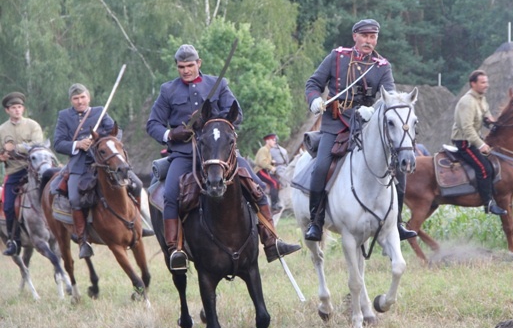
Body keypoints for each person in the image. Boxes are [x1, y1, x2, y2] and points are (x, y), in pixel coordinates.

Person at [147, 44, 300, 270]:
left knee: (257, 188)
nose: (186, 70)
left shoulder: (218, 84)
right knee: (170, 196)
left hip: (219, 153)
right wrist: (172, 133)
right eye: (181, 67)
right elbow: (153, 125)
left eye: (190, 65)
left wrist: (211, 122)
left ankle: (271, 241)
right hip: (184, 153)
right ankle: (175, 251)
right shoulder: (167, 90)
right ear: (177, 67)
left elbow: (236, 115)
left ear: (198, 63)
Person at [303, 18, 417, 242]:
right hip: (336, 123)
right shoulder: (337, 57)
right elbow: (313, 84)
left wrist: (372, 110)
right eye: (364, 36)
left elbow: (390, 99)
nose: (368, 41)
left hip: (367, 124)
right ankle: (316, 222)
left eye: (372, 37)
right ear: (355, 36)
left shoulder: (382, 66)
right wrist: (315, 100)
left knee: (399, 167)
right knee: (321, 166)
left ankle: (398, 222)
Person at [53, 84, 115, 259]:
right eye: (75, 98)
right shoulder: (64, 116)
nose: (80, 101)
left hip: (103, 162)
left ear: (88, 97)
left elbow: (115, 133)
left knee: (133, 184)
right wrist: (77, 144)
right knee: (74, 197)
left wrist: (99, 141)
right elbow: (58, 143)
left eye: (82, 97)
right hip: (79, 165)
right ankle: (83, 240)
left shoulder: (100, 112)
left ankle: (140, 224)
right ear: (71, 101)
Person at [450, 70, 507, 215]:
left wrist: (491, 121)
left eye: (487, 82)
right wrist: (480, 144)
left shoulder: (481, 99)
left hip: (473, 139)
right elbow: (467, 127)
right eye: (483, 82)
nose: (486, 85)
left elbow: (486, 115)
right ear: (473, 84)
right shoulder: (467, 102)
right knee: (484, 168)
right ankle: (487, 203)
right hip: (464, 142)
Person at [0, 92, 44, 256]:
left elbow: (38, 144)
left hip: (35, 168)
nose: (17, 110)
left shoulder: (33, 125)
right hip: (14, 171)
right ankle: (14, 241)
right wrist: (1, 156)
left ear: (23, 109)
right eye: (13, 108)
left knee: (56, 191)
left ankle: (68, 228)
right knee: (9, 206)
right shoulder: (2, 130)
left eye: (19, 107)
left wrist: (16, 148)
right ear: (7, 110)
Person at [254, 133, 282, 213]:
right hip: (260, 171)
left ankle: (276, 200)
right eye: (273, 140)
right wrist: (271, 167)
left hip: (264, 170)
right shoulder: (264, 150)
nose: (274, 142)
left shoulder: (268, 151)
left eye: (275, 140)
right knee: (274, 182)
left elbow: (265, 161)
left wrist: (271, 162)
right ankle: (274, 204)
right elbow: (261, 162)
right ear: (267, 141)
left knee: (278, 182)